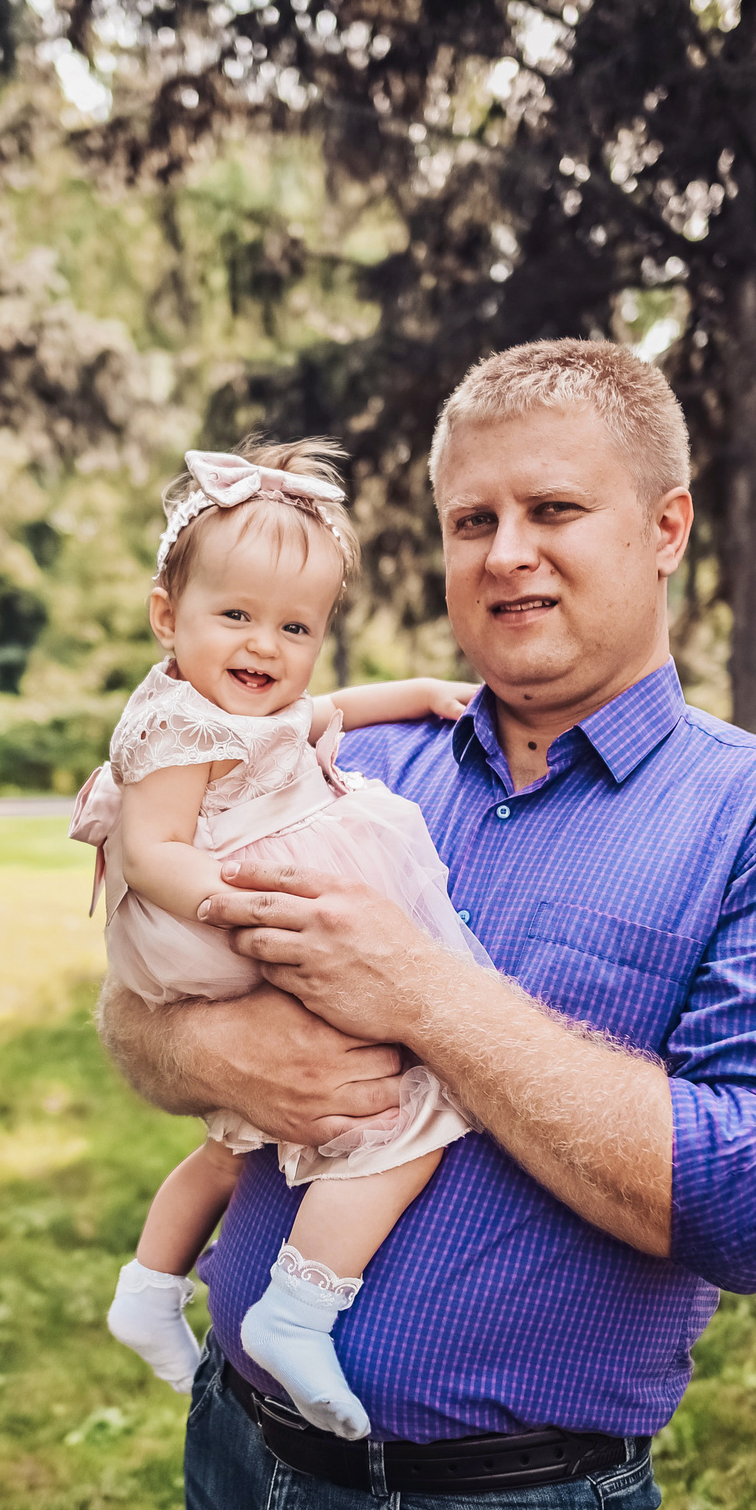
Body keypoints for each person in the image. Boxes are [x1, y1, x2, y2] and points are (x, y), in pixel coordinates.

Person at [97, 339, 756, 1510]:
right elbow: (133, 1013)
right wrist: (203, 1060)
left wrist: (426, 994)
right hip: (235, 1461)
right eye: (471, 519)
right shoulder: (356, 767)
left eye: (553, 510)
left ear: (665, 528)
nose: (505, 552)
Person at [75, 440, 492, 1442]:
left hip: (224, 930)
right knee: (413, 1108)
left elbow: (331, 711)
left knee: (235, 1138)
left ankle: (148, 1285)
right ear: (166, 617)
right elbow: (153, 847)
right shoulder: (177, 727)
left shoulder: (243, 708)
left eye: (295, 625)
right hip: (218, 923)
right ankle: (302, 1307)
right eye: (236, 616)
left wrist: (424, 693)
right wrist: (234, 905)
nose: (265, 644)